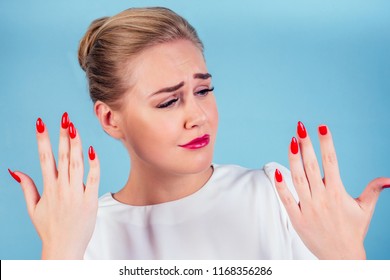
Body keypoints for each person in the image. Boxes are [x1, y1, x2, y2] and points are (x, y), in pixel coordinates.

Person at [7, 7, 390, 260]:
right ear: (110, 120)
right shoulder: (82, 235)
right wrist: (58, 254)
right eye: (168, 102)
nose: (198, 117)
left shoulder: (279, 198)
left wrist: (346, 256)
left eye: (203, 90)